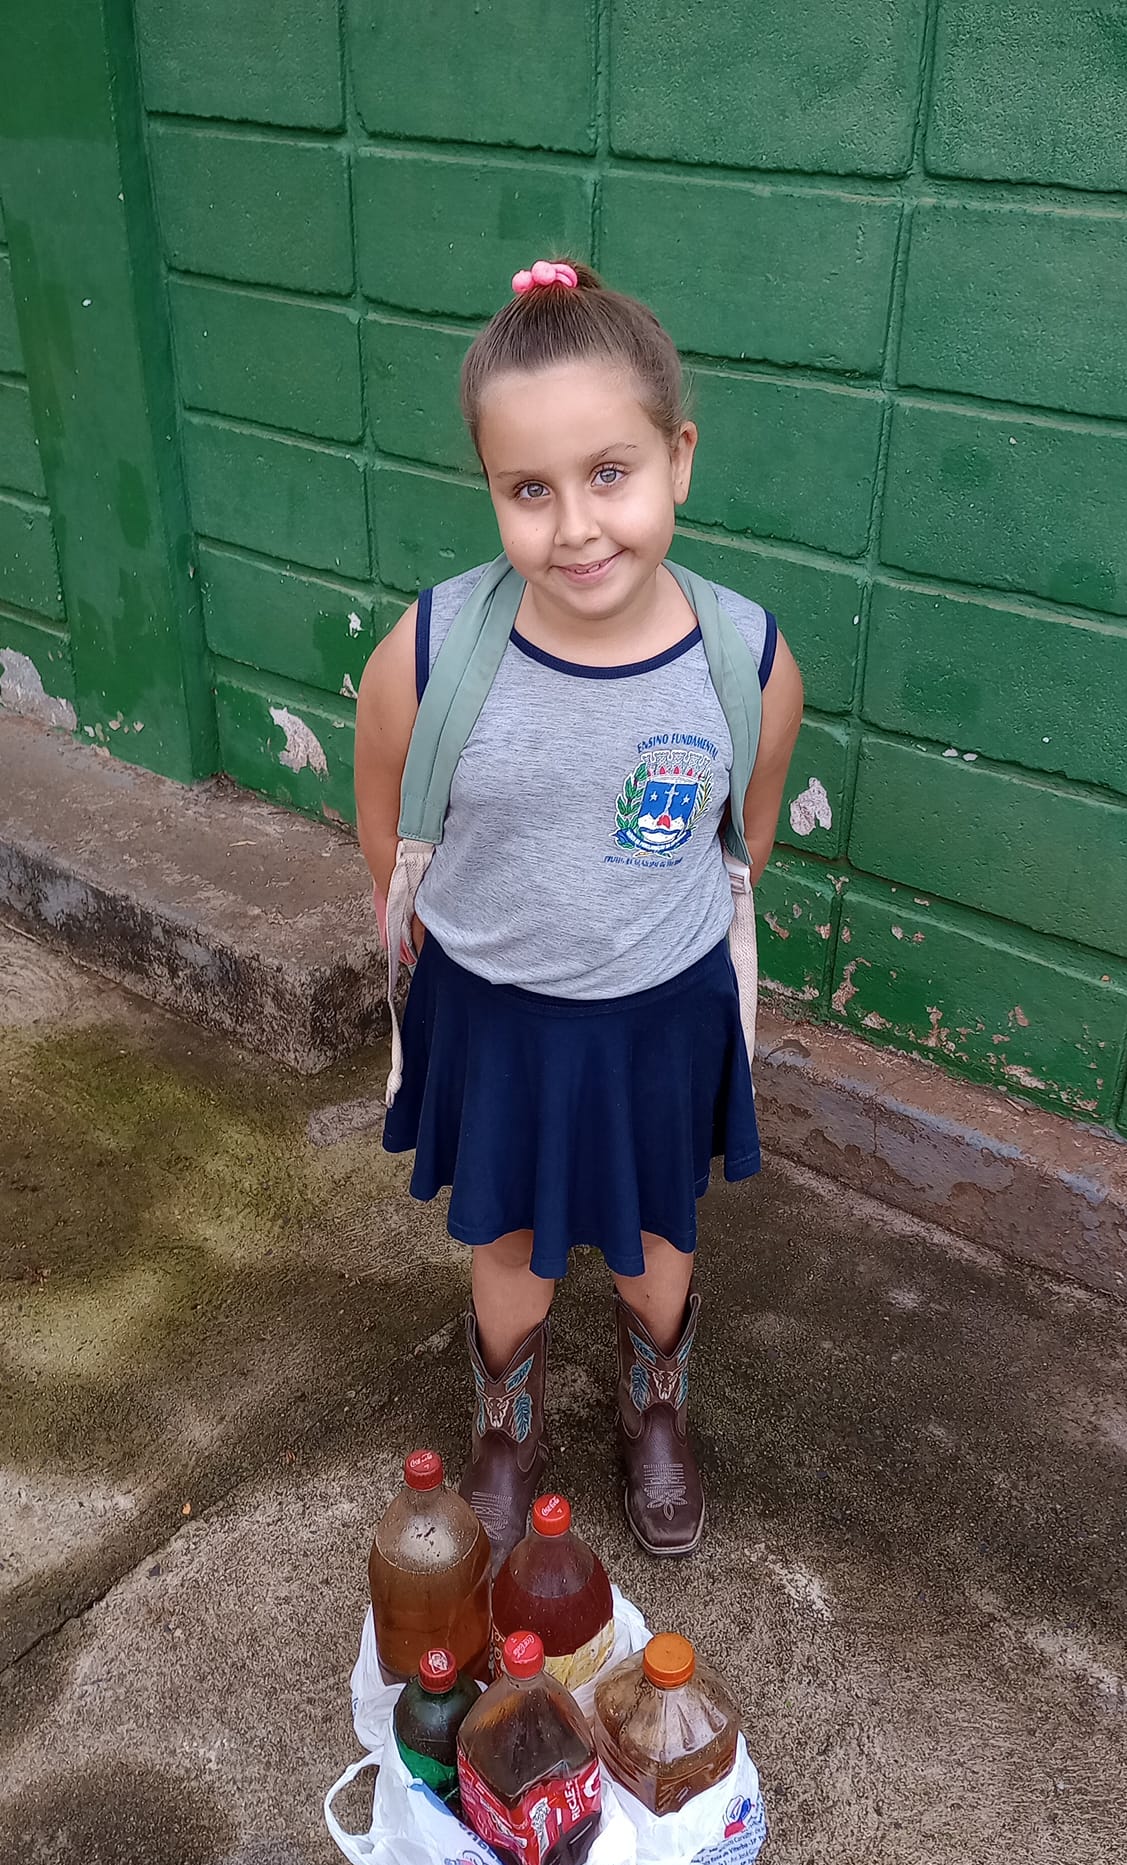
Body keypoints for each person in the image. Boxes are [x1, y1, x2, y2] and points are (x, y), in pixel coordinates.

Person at [355, 258, 803, 1571]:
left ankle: (656, 1412)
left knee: (661, 1233)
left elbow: (745, 837)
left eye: (610, 473)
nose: (577, 526)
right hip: (498, 1013)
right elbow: (387, 827)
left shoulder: (745, 658)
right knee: (510, 1243)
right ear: (491, 489)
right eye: (530, 489)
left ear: (680, 458)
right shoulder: (429, 654)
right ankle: (506, 1432)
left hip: (662, 1009)